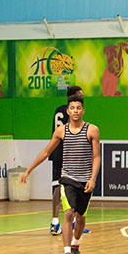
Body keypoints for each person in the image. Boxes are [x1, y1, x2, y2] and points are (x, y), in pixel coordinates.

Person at [20, 94, 100, 254]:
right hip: (68, 178)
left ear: (83, 110)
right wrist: (28, 170)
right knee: (68, 213)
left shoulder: (92, 130)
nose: (75, 111)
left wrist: (93, 178)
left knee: (80, 218)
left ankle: (76, 245)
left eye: (78, 108)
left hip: (85, 180)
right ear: (67, 111)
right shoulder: (61, 131)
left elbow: (97, 156)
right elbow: (45, 152)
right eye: (72, 108)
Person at [48, 85, 84, 235]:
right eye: (80, 95)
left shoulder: (58, 109)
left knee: (58, 185)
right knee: (71, 185)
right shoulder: (73, 111)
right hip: (66, 151)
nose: (82, 97)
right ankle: (65, 222)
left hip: (56, 151)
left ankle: (56, 222)